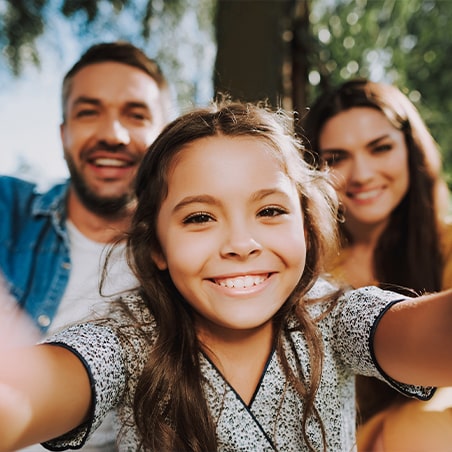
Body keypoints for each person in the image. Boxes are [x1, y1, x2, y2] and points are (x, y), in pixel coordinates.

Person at [1, 100, 452, 452]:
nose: (240, 243)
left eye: (270, 210)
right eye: (199, 218)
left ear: (307, 228)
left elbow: (429, 335)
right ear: (156, 245)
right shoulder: (128, 338)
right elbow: (26, 398)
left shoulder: (336, 316)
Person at [0, 41, 173, 451]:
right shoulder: (9, 210)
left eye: (135, 115)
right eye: (88, 112)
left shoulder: (192, 251)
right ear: (63, 134)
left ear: (164, 136)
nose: (112, 135)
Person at [303, 78, 452, 450]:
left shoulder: (445, 243)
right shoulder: (302, 263)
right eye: (337, 158)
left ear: (411, 150)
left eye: (380, 148)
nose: (362, 174)